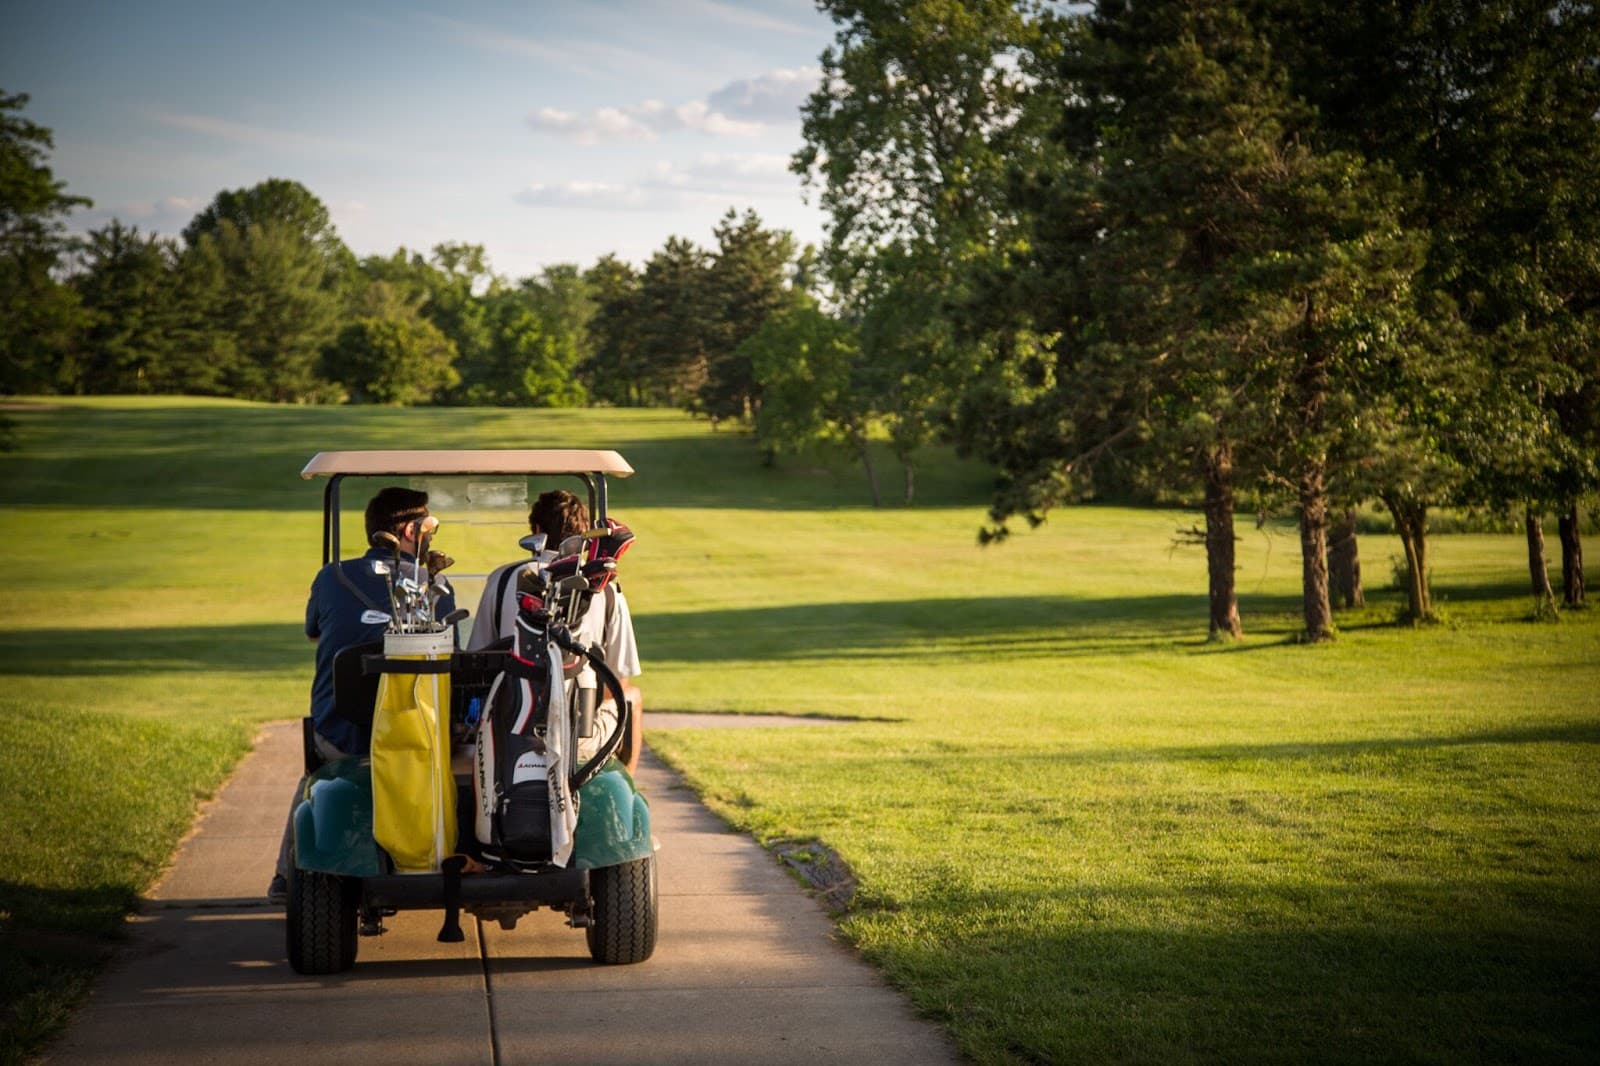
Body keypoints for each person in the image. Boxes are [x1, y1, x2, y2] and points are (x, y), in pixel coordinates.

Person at [268, 486, 456, 904]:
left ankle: (284, 874)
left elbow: (314, 633)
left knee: (314, 779)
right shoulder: (433, 584)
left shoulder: (331, 577)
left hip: (338, 733)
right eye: (430, 527)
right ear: (411, 531)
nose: (432, 535)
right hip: (414, 736)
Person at [468, 488, 644, 774]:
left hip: (509, 725)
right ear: (585, 536)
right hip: (579, 734)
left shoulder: (502, 579)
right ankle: (626, 781)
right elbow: (617, 683)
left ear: (537, 530)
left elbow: (480, 660)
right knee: (632, 697)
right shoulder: (606, 589)